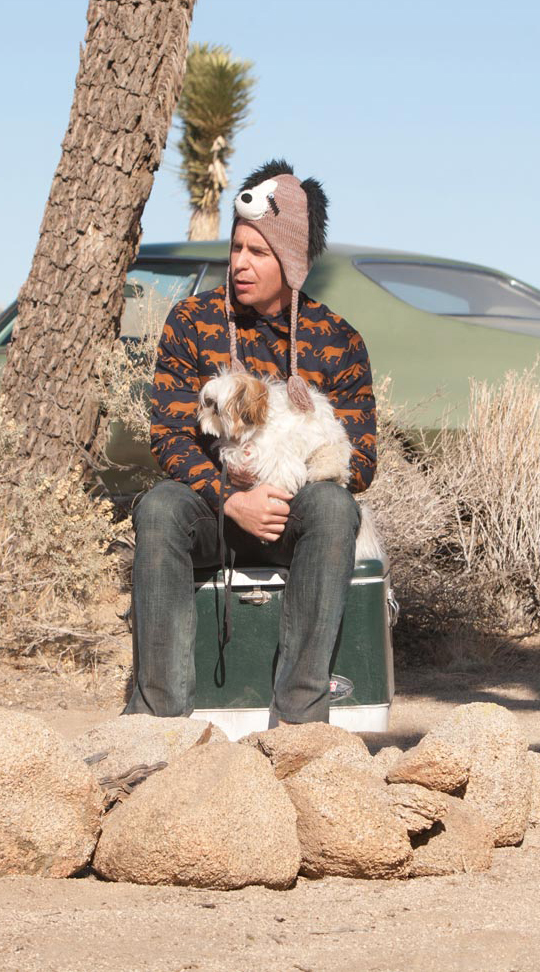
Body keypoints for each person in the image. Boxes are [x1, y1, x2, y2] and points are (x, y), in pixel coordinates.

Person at [125, 160, 378, 723]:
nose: (239, 263)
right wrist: (232, 498)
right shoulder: (192, 321)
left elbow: (361, 460)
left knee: (336, 508)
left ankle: (299, 721)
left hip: (291, 515)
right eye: (236, 247)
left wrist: (284, 484)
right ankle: (158, 721)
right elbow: (168, 435)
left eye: (258, 252)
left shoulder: (338, 340)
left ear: (293, 261)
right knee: (160, 507)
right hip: (212, 513)